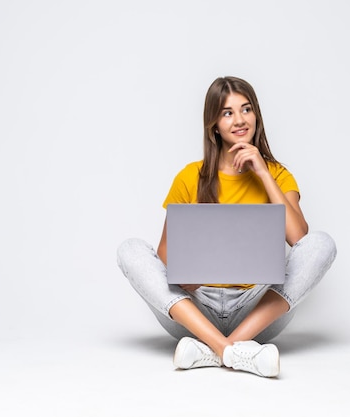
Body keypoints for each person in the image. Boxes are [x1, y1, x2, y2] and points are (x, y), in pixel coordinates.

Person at [116, 76, 337, 378]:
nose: (239, 120)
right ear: (214, 125)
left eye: (246, 109)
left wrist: (261, 170)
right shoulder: (189, 177)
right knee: (130, 249)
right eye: (227, 112)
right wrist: (186, 278)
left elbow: (299, 238)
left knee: (322, 243)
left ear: (257, 115)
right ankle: (232, 350)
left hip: (256, 309)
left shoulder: (277, 175)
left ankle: (214, 349)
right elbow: (164, 254)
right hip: (195, 308)